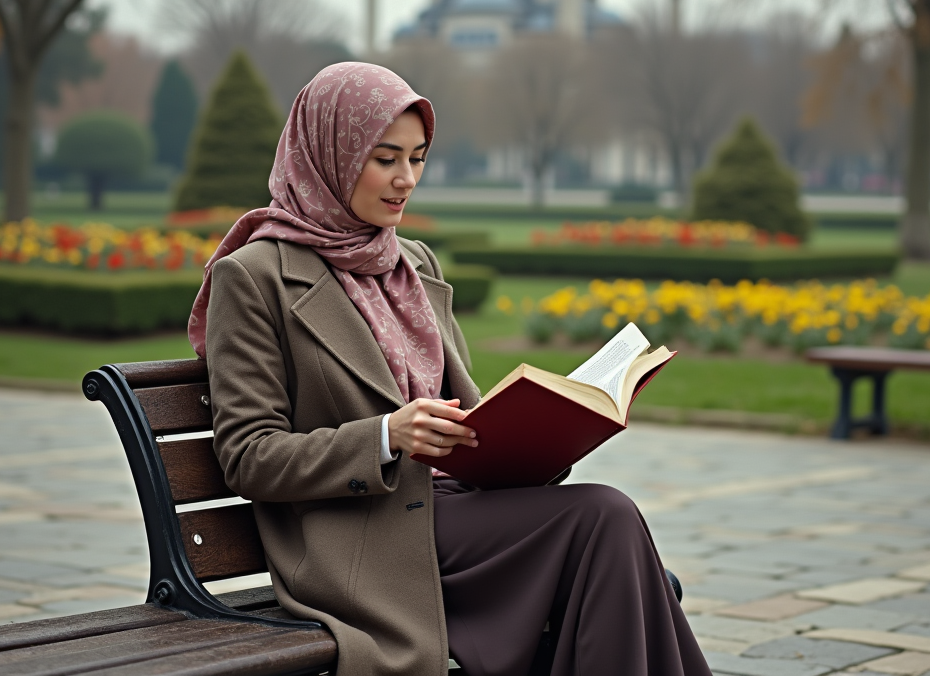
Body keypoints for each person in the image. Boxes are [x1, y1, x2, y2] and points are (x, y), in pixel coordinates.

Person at [190, 62, 712, 676]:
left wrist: (548, 434)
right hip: (368, 534)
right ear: (330, 155)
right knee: (605, 518)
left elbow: (465, 412)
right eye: (385, 159)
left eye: (417, 159)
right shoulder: (254, 276)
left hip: (459, 509)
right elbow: (249, 455)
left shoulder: (413, 262)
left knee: (608, 532)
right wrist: (386, 436)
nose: (406, 179)